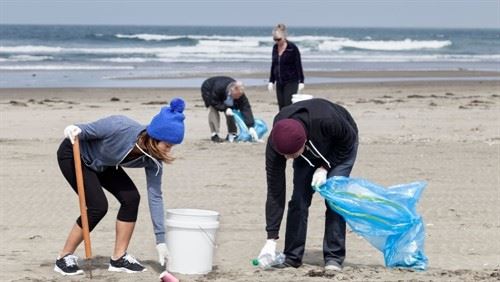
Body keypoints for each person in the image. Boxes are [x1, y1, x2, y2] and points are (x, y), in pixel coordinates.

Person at [54, 98, 186, 276]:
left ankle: (118, 258)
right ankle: (64, 257)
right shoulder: (120, 126)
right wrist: (73, 129)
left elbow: (155, 196)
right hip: (74, 155)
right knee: (98, 207)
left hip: (103, 164)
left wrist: (160, 240)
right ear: (155, 137)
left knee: (131, 199)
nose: (169, 150)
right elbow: (85, 130)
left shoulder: (153, 160)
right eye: (168, 145)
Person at [259, 98, 359, 271]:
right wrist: (271, 238)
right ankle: (292, 257)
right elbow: (275, 190)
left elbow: (347, 142)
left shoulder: (328, 120)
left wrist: (325, 167)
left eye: (290, 155)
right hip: (308, 153)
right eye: (284, 155)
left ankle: (333, 257)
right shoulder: (277, 141)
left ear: (303, 143)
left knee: (334, 200)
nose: (287, 159)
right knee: (299, 199)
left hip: (341, 146)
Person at [201, 76, 259, 143]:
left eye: (240, 96)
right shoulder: (218, 88)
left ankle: (232, 134)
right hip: (209, 89)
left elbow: (246, 108)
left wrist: (250, 126)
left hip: (224, 93)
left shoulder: (239, 94)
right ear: (233, 89)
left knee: (231, 112)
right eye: (237, 95)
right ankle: (214, 134)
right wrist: (225, 108)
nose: (238, 97)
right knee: (213, 110)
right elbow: (214, 102)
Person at [267, 24, 305, 110]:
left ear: (284, 36)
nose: (277, 41)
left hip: (291, 81)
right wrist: (271, 81)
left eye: (279, 39)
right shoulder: (275, 48)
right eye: (275, 39)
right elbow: (274, 64)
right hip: (279, 82)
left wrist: (301, 81)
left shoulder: (292, 48)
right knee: (281, 106)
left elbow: (298, 64)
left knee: (288, 106)